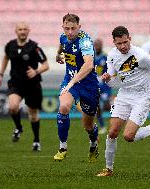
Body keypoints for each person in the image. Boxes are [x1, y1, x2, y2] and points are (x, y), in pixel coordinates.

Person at [97, 26, 150, 177]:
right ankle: (108, 169)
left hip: (142, 96)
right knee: (112, 132)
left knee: (128, 136)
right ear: (114, 43)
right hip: (124, 94)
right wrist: (107, 78)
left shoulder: (141, 56)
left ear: (129, 38)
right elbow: (112, 77)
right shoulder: (111, 55)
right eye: (119, 44)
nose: (123, 46)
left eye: (125, 42)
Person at [0, 22, 49, 151]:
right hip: (16, 83)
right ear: (16, 31)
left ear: (29, 30)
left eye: (25, 29)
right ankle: (19, 127)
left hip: (32, 85)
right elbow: (5, 58)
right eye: (20, 29)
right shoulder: (10, 45)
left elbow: (46, 65)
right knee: (13, 107)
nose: (23, 31)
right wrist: (0, 74)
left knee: (33, 115)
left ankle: (36, 141)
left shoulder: (35, 47)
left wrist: (36, 71)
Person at [53, 13, 100, 163]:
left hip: (89, 86)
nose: (70, 32)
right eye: (67, 28)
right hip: (70, 81)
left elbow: (88, 65)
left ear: (79, 27)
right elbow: (61, 45)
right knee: (64, 107)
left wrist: (73, 82)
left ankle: (93, 143)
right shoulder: (63, 36)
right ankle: (63, 147)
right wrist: (57, 55)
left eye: (73, 28)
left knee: (88, 126)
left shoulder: (85, 41)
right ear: (63, 27)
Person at [94, 38, 111, 135]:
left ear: (101, 45)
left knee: (107, 105)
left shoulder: (105, 58)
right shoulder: (91, 58)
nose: (97, 47)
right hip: (95, 85)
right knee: (97, 107)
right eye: (95, 45)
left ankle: (119, 119)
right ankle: (103, 127)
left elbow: (110, 72)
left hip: (104, 86)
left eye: (98, 45)